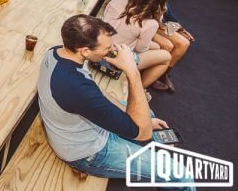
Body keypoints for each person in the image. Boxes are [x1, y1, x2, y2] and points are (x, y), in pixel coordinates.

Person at [38, 15, 192, 190]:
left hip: (82, 129)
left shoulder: (57, 52)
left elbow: (98, 93)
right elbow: (143, 133)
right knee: (181, 175)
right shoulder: (76, 88)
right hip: (87, 153)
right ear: (85, 51)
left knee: (148, 116)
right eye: (106, 48)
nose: (111, 50)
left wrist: (141, 120)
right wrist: (131, 70)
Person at [118, 0, 191, 93]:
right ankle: (145, 79)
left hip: (155, 22)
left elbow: (167, 11)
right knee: (167, 45)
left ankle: (163, 74)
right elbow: (133, 12)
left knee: (184, 43)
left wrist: (179, 27)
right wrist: (161, 24)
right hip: (142, 22)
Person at [104, 0, 173, 93]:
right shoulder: (150, 23)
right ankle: (138, 90)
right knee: (167, 57)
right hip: (116, 56)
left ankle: (138, 75)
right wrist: (158, 18)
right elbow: (140, 49)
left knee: (157, 46)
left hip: (102, 43)